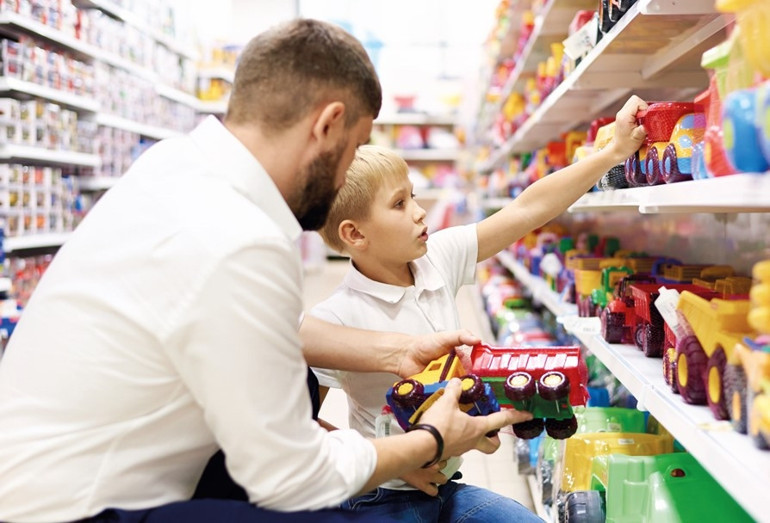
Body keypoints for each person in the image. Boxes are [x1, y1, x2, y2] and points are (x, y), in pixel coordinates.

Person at [0, 19, 529, 523]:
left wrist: (393, 350)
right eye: (352, 152)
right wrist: (432, 440)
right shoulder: (241, 238)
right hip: (81, 509)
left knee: (291, 379)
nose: (347, 175)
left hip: (38, 480)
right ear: (327, 125)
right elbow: (291, 478)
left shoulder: (176, 169)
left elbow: (266, 329)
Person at [307, 95, 648, 521]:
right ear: (355, 234)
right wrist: (387, 461)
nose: (419, 212)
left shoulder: (438, 257)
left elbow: (527, 209)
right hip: (381, 496)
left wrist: (613, 153)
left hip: (445, 490)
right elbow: (302, 429)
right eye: (399, 204)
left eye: (413, 196)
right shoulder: (334, 321)